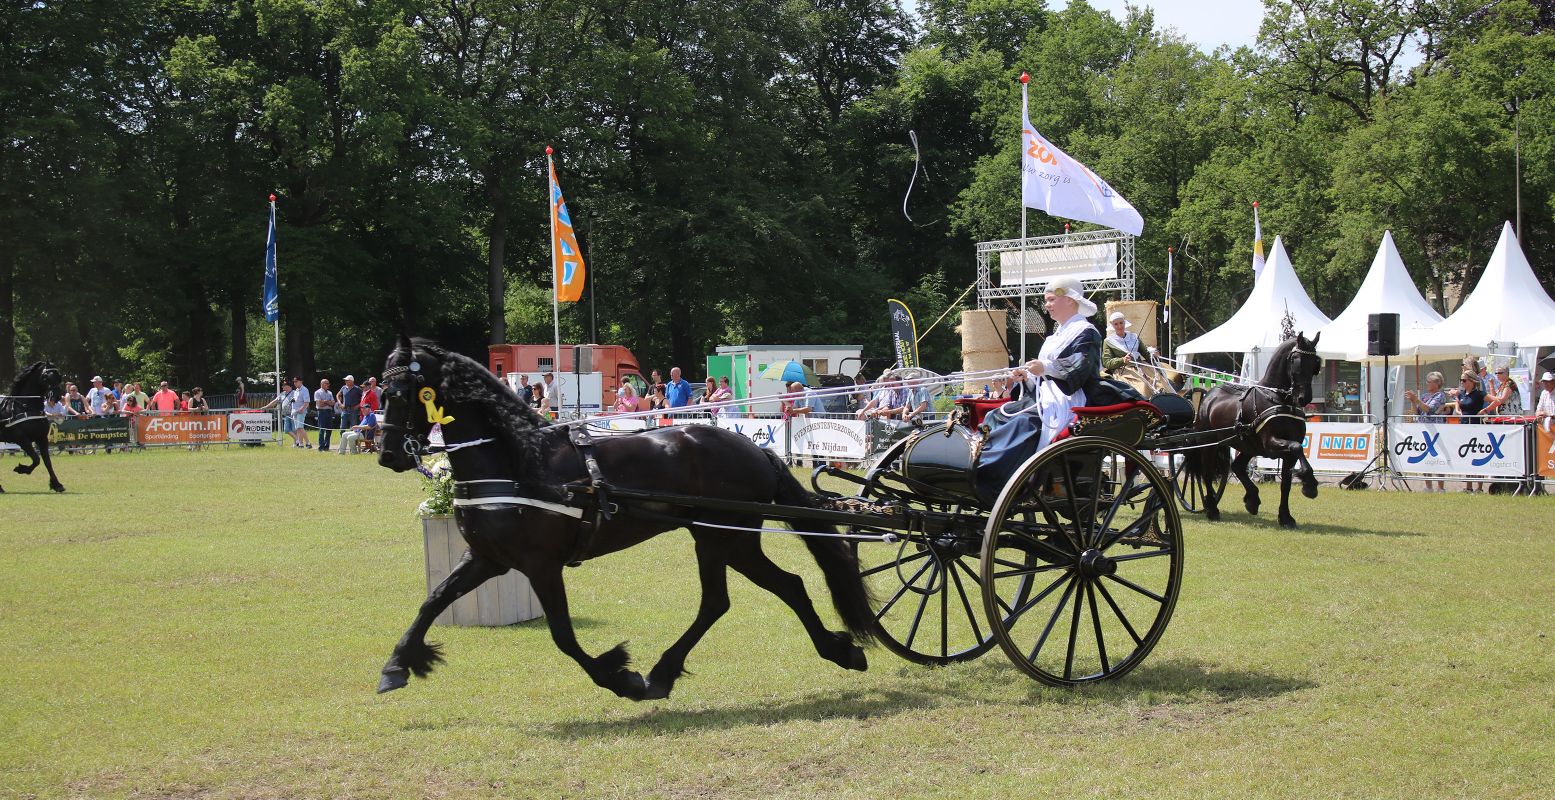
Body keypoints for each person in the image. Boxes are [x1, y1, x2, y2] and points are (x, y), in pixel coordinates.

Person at [977, 277, 1125, 501]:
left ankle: (1000, 476)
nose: (1046, 305)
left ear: (1070, 300)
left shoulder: (1087, 331)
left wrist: (1044, 367)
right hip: (1045, 397)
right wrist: (1025, 378)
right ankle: (984, 465)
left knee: (1023, 422)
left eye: (1051, 300)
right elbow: (1044, 377)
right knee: (996, 414)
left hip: (1068, 400)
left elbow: (1081, 365)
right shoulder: (1055, 336)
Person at [1404, 371, 1449, 492]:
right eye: (1427, 381)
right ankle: (1428, 486)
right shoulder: (1424, 396)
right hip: (1423, 428)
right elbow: (1417, 412)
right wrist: (1413, 401)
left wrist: (1416, 400)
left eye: (1430, 382)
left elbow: (1429, 409)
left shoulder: (1440, 396)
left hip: (1435, 430)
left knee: (1437, 457)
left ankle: (1441, 487)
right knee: (1424, 457)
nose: (1427, 384)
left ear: (1437, 383)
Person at [1450, 371, 1487, 492]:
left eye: (1464, 380)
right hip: (1464, 427)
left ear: (1471, 381)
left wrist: (1484, 410)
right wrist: (1457, 410)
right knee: (1466, 456)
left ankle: (1479, 487)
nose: (1462, 383)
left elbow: (1496, 400)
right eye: (1461, 380)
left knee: (1477, 456)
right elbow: (1458, 401)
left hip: (1476, 428)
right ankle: (1468, 486)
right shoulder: (1462, 394)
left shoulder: (1479, 394)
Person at [338, 375, 362, 447]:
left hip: (353, 411)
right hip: (345, 410)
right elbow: (338, 395)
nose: (345, 381)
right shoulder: (343, 387)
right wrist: (340, 403)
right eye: (345, 380)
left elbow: (363, 398)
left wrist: (358, 405)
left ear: (351, 381)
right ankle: (342, 444)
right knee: (342, 428)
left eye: (347, 380)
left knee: (353, 428)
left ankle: (352, 445)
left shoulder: (357, 389)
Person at [287, 377, 311, 448]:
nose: (295, 383)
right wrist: (293, 400)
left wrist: (302, 408)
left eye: (296, 381)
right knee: (297, 428)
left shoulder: (305, 390)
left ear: (301, 381)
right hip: (295, 411)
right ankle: (300, 444)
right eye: (294, 381)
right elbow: (296, 400)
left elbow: (307, 402)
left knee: (300, 427)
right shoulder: (296, 390)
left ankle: (308, 443)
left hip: (301, 411)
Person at [313, 377, 336, 451]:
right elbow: (319, 404)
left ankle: (327, 446)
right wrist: (328, 402)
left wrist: (324, 401)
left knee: (329, 430)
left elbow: (333, 403)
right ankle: (321, 447)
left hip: (329, 412)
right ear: (322, 384)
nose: (328, 385)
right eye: (327, 383)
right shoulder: (317, 392)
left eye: (328, 383)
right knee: (322, 429)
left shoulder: (330, 393)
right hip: (321, 412)